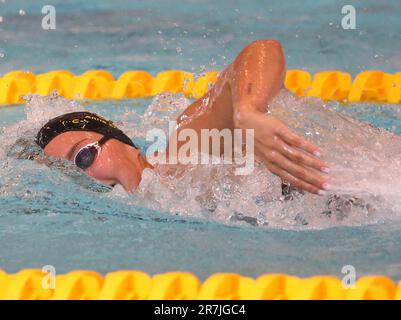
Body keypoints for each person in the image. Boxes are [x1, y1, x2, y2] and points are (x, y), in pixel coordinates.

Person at [36, 40, 329, 194]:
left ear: (126, 144)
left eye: (84, 157)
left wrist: (248, 111)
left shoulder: (184, 151)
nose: (84, 179)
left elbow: (261, 50)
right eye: (68, 176)